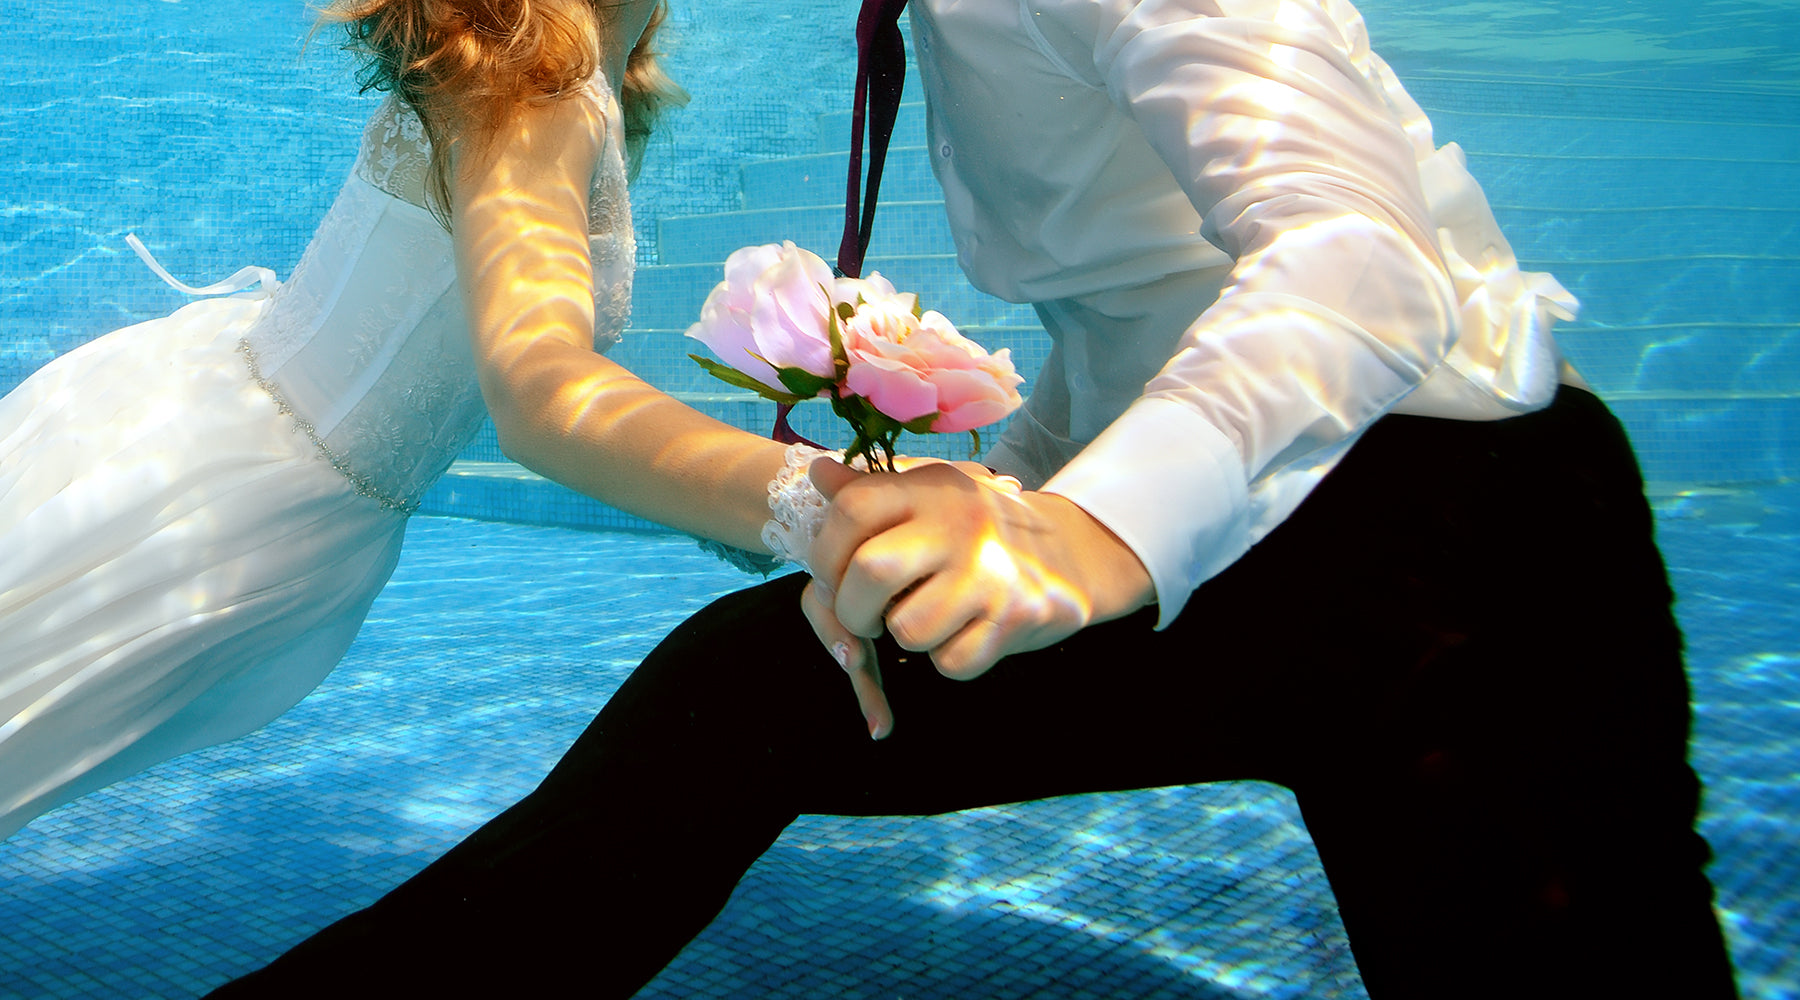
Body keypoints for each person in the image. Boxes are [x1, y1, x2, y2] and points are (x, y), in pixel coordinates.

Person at [212, 0, 1740, 997]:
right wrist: (1009, 500)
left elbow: (1361, 260)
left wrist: (1083, 535)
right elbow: (1141, 301)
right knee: (745, 696)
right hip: (1270, 535)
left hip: (1460, 551)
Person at [0, 0, 838, 843]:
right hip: (220, 493)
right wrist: (818, 507)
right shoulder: (545, 90)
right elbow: (545, 398)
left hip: (242, 439)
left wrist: (748, 507)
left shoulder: (572, 74)